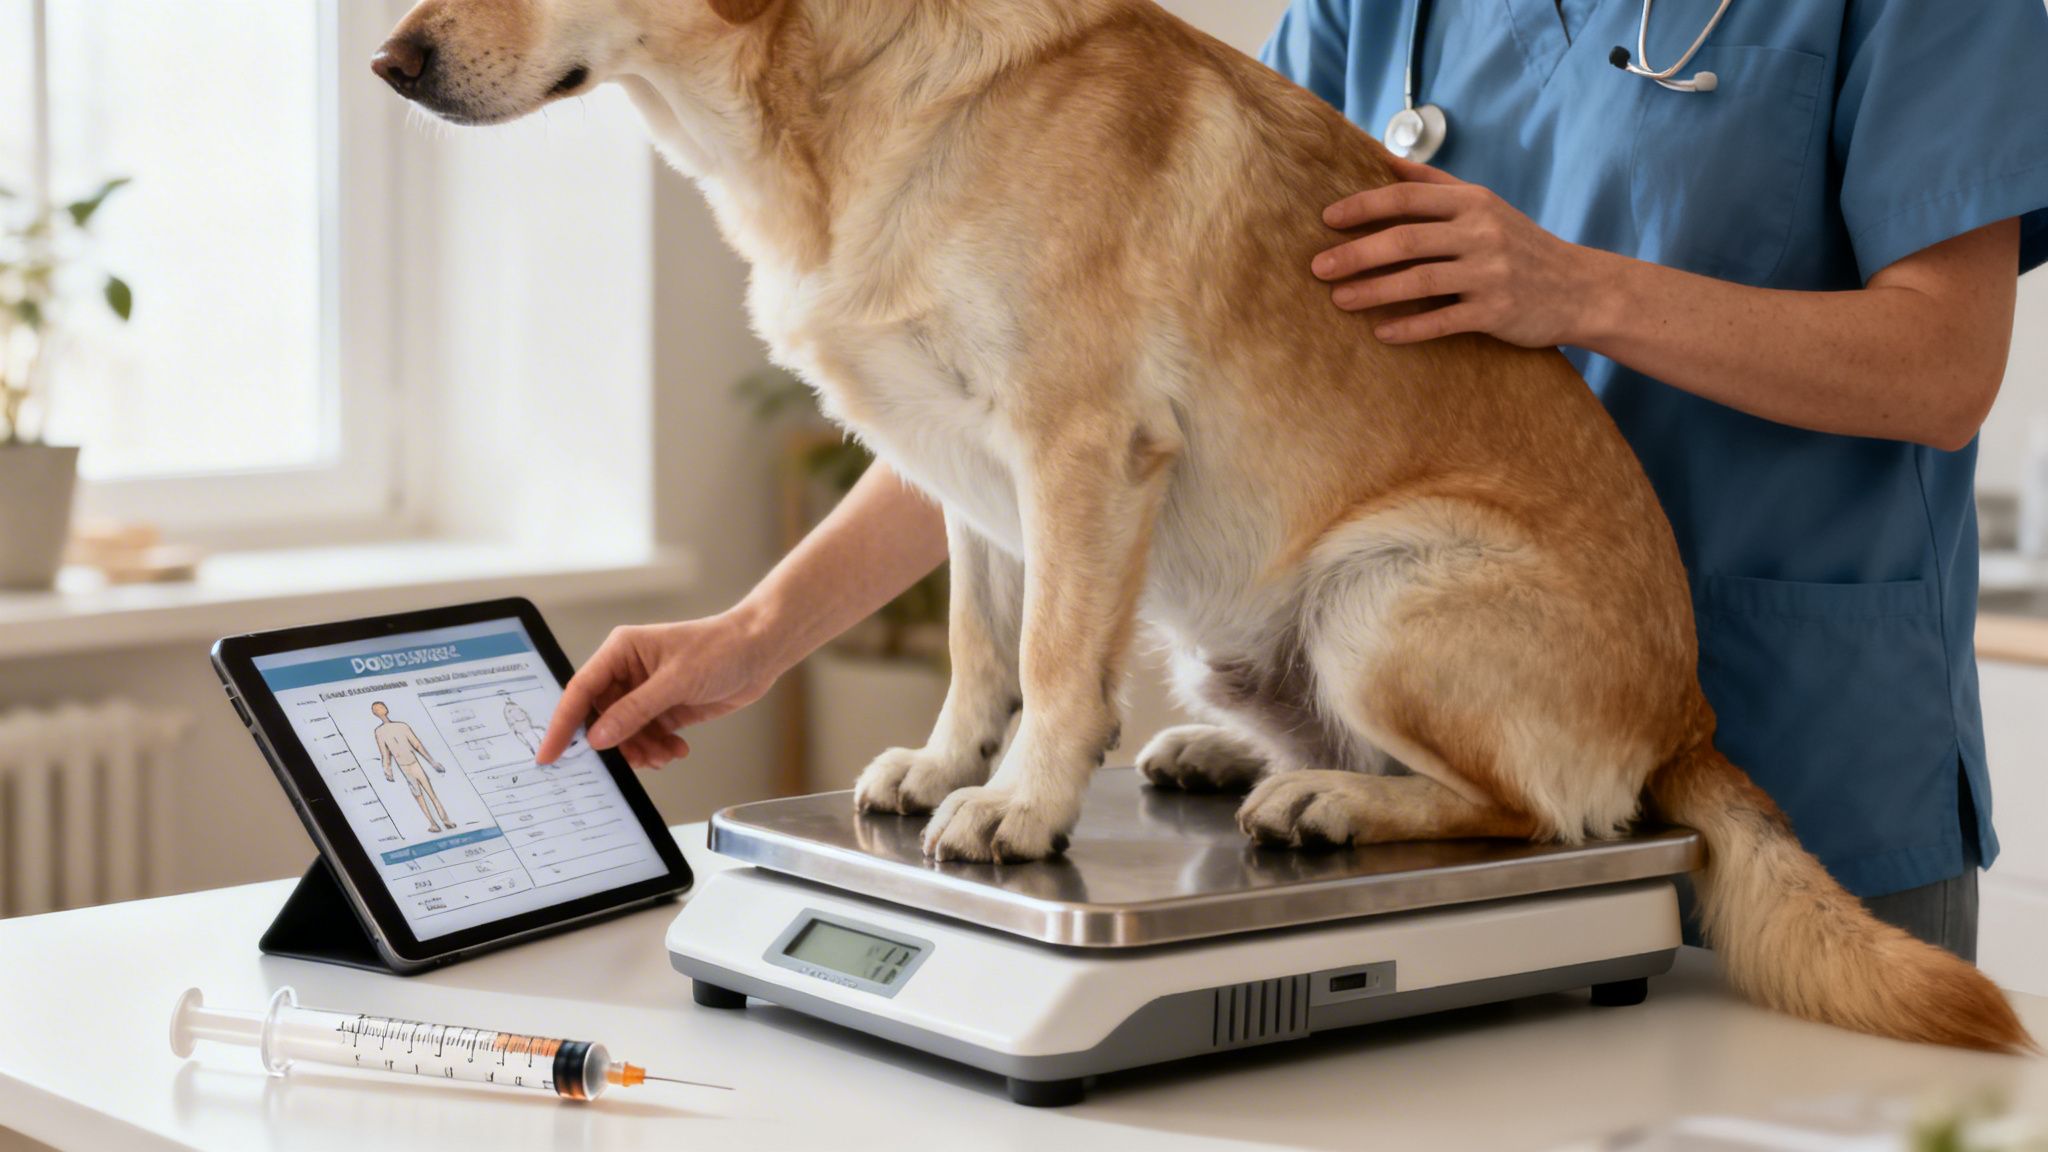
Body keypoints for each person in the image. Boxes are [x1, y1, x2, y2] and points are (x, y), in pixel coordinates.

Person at [542, 0, 2048, 959]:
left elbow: (1939, 368)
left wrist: (1577, 292)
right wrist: (755, 637)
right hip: (1398, 785)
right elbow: (1055, 395)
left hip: (1799, 769)